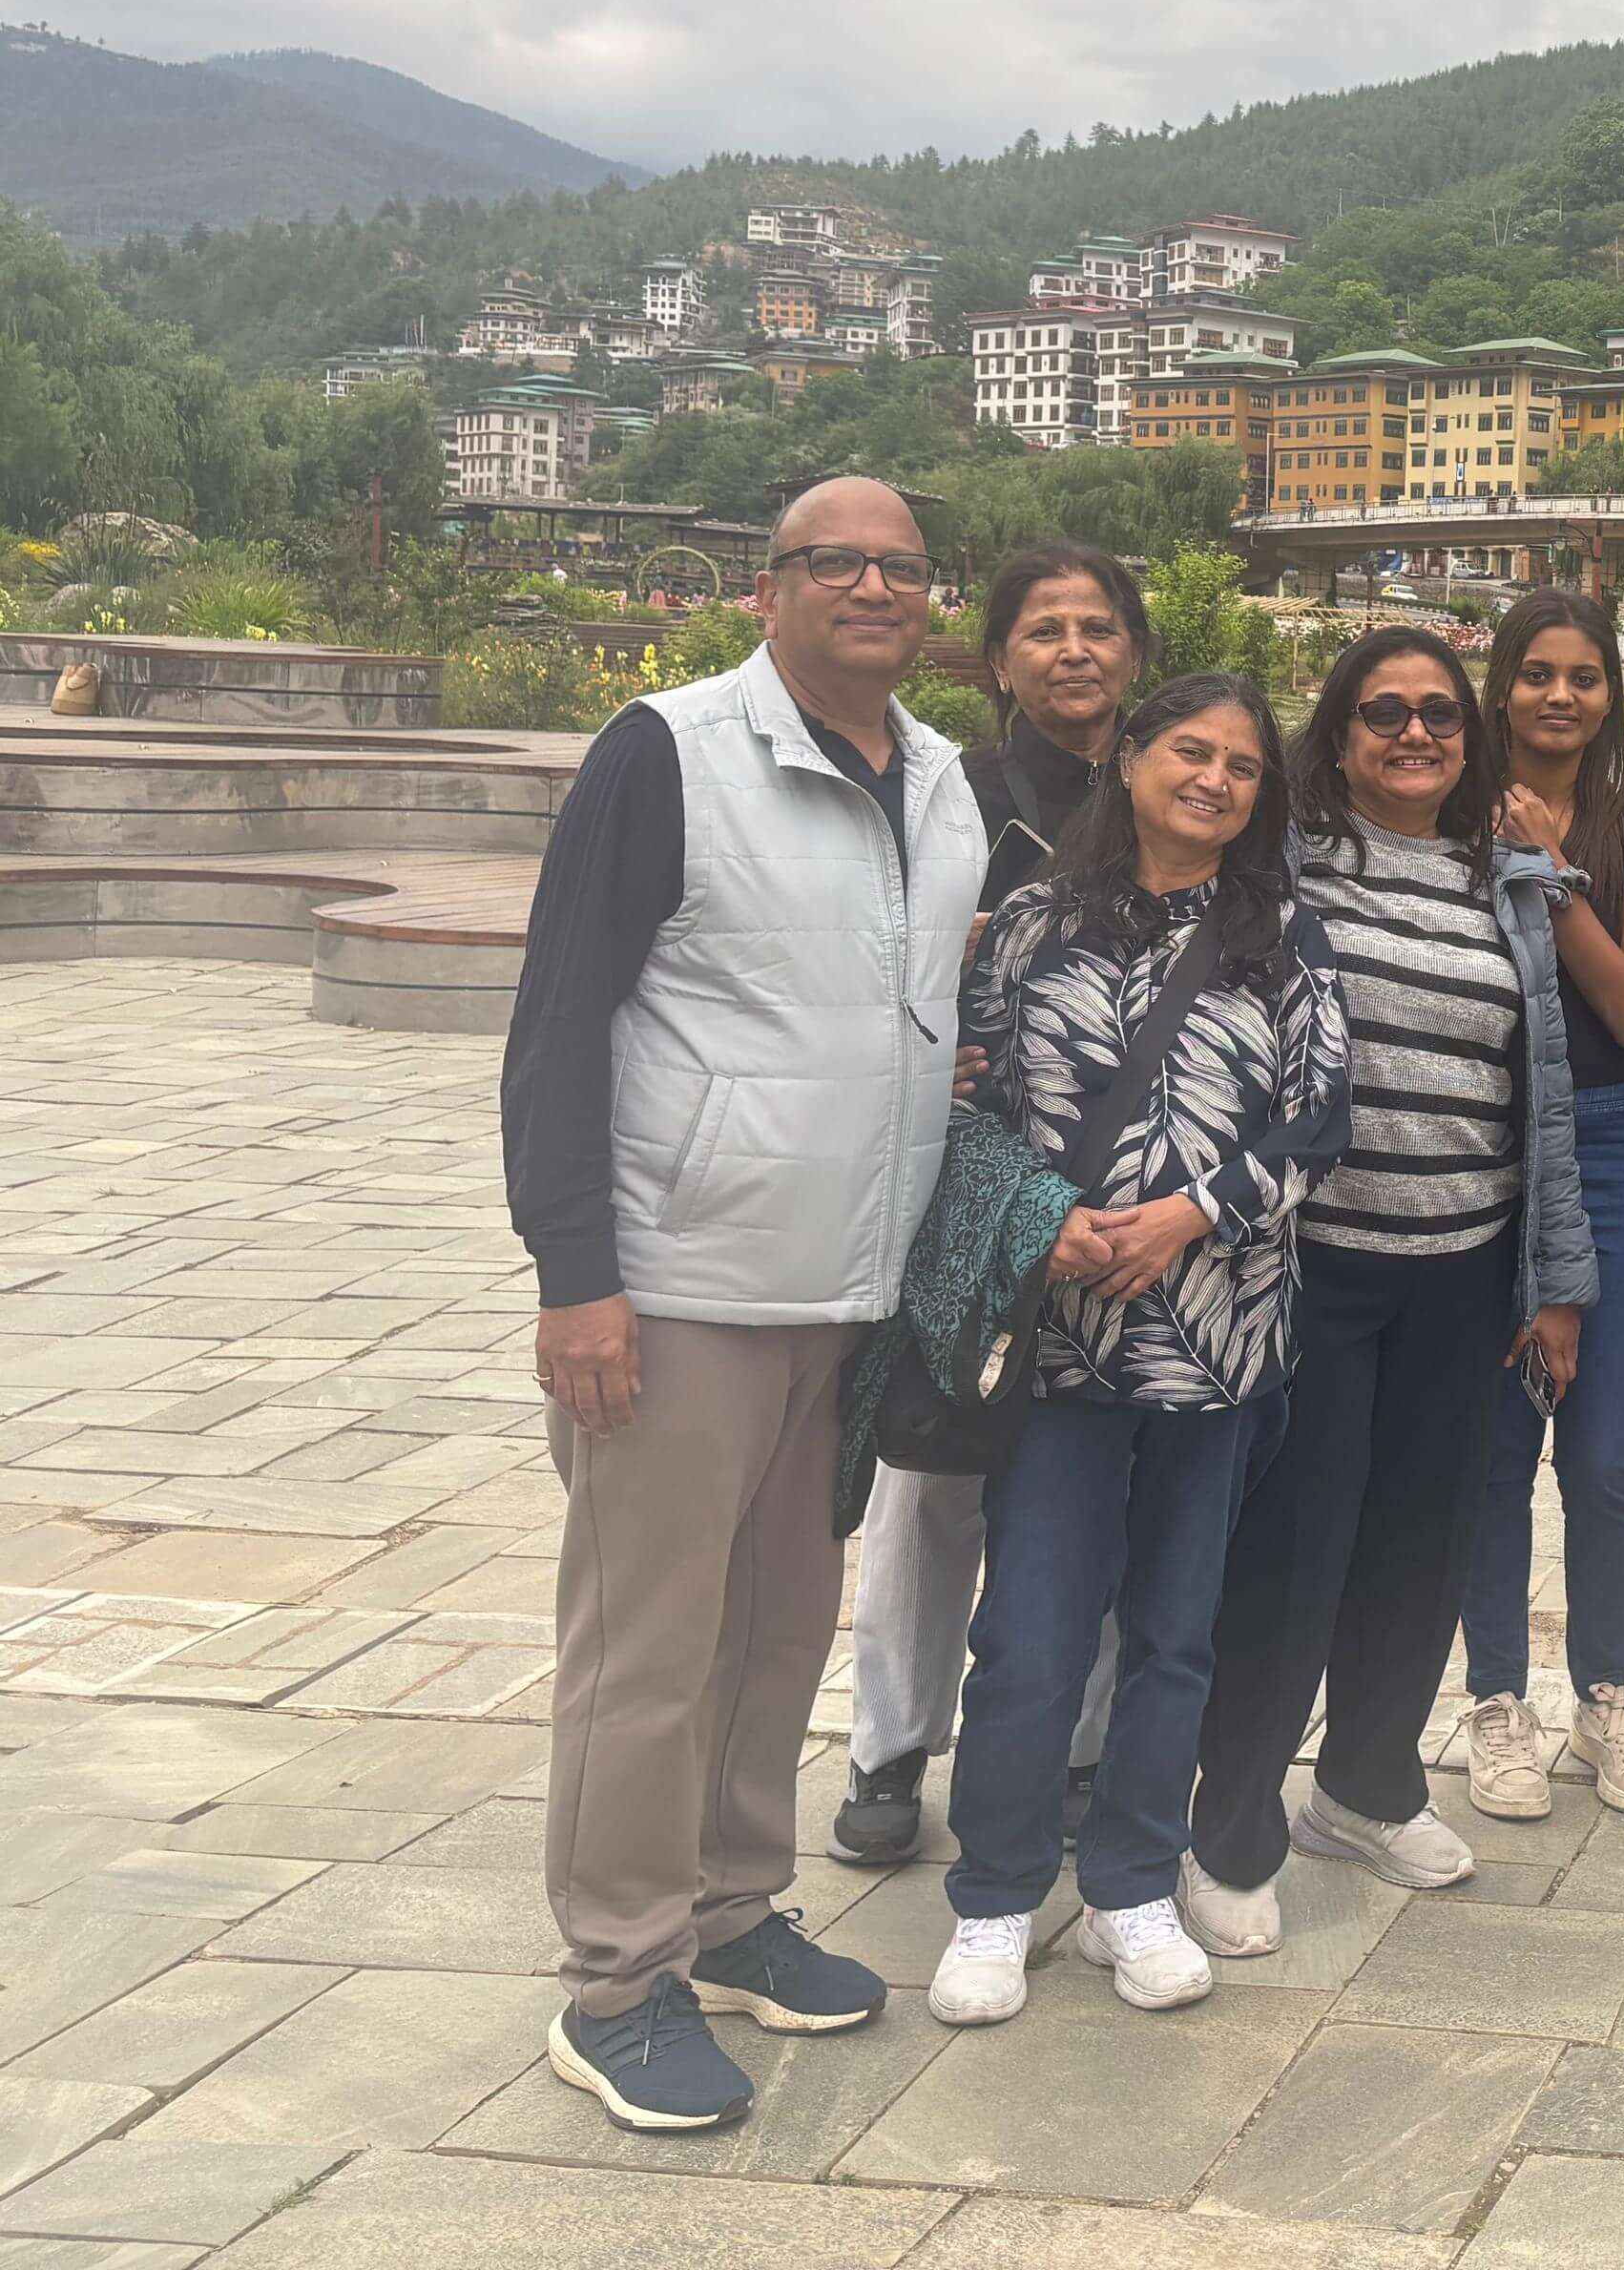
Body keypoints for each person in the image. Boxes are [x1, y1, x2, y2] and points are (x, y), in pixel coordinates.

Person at [503, 478, 986, 2132]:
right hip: (681, 1292)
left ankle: (729, 1909)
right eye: (835, 561)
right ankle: (617, 1978)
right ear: (766, 591)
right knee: (646, 1650)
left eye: (902, 565)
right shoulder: (668, 751)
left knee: (779, 1627)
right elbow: (560, 1017)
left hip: (843, 1291)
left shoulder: (940, 778)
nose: (874, 585)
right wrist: (577, 1276)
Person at [928, 675, 1347, 2028]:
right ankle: (996, 1897)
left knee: (1175, 1635)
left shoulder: (1283, 932)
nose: (1215, 779)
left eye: (1243, 766)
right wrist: (1042, 1220)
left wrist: (1189, 1214)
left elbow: (1320, 1121)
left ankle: (1131, 1885)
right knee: (1032, 1634)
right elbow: (964, 1102)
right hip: (1057, 1340)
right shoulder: (1036, 921)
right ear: (1130, 758)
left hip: (1216, 1341)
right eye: (1191, 752)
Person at [1181, 627, 1596, 1949]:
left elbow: (1541, 1092)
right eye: (1384, 712)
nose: (1415, 733)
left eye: (1439, 713)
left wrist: (1555, 1279)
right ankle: (1229, 1828)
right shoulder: (1283, 866)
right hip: (1314, 1263)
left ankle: (1366, 1786)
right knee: (1294, 1549)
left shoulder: (1506, 882)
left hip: (1464, 1268)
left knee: (1424, 1542)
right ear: (1341, 734)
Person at [841, 538, 1151, 1869]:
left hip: (1126, 1186)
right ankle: (890, 1742)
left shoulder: (1171, 781)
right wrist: (926, 1039)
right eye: (1044, 630)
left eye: (1098, 627)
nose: (1074, 651)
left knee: (1103, 1469)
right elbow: (871, 958)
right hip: (971, 1169)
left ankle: (1078, 1747)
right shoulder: (948, 796)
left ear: (1133, 651)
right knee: (935, 1468)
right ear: (1000, 661)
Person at [1457, 591, 1624, 1824]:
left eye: (1584, 677)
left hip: (1611, 1141)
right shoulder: (1448, 810)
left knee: (1602, 1447)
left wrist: (1550, 875)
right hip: (1480, 1140)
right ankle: (1497, 1696)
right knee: (1495, 1443)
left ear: (1609, 695)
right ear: (1501, 685)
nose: (1559, 695)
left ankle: (1607, 1688)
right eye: (1537, 673)